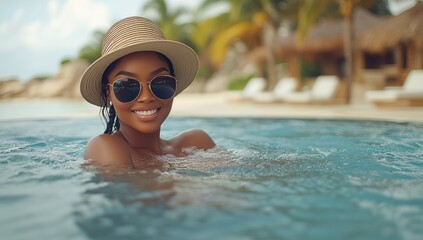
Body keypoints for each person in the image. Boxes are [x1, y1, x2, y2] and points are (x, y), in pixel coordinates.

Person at [80, 16, 215, 169]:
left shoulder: (197, 142)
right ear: (108, 93)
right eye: (127, 85)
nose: (146, 97)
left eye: (160, 81)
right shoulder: (103, 147)